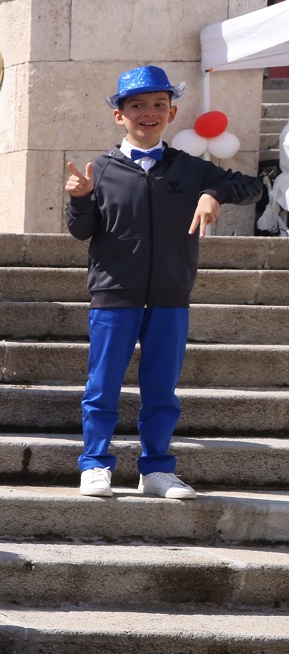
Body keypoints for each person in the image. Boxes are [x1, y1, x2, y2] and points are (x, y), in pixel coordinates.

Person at [64, 66, 265, 500]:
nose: (148, 112)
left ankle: (156, 469)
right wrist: (79, 199)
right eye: (137, 105)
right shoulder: (101, 169)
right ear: (119, 115)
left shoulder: (191, 169)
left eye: (159, 104)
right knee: (102, 387)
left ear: (172, 113)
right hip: (114, 294)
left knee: (161, 391)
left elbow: (251, 187)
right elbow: (82, 231)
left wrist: (214, 193)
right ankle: (95, 464)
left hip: (171, 293)